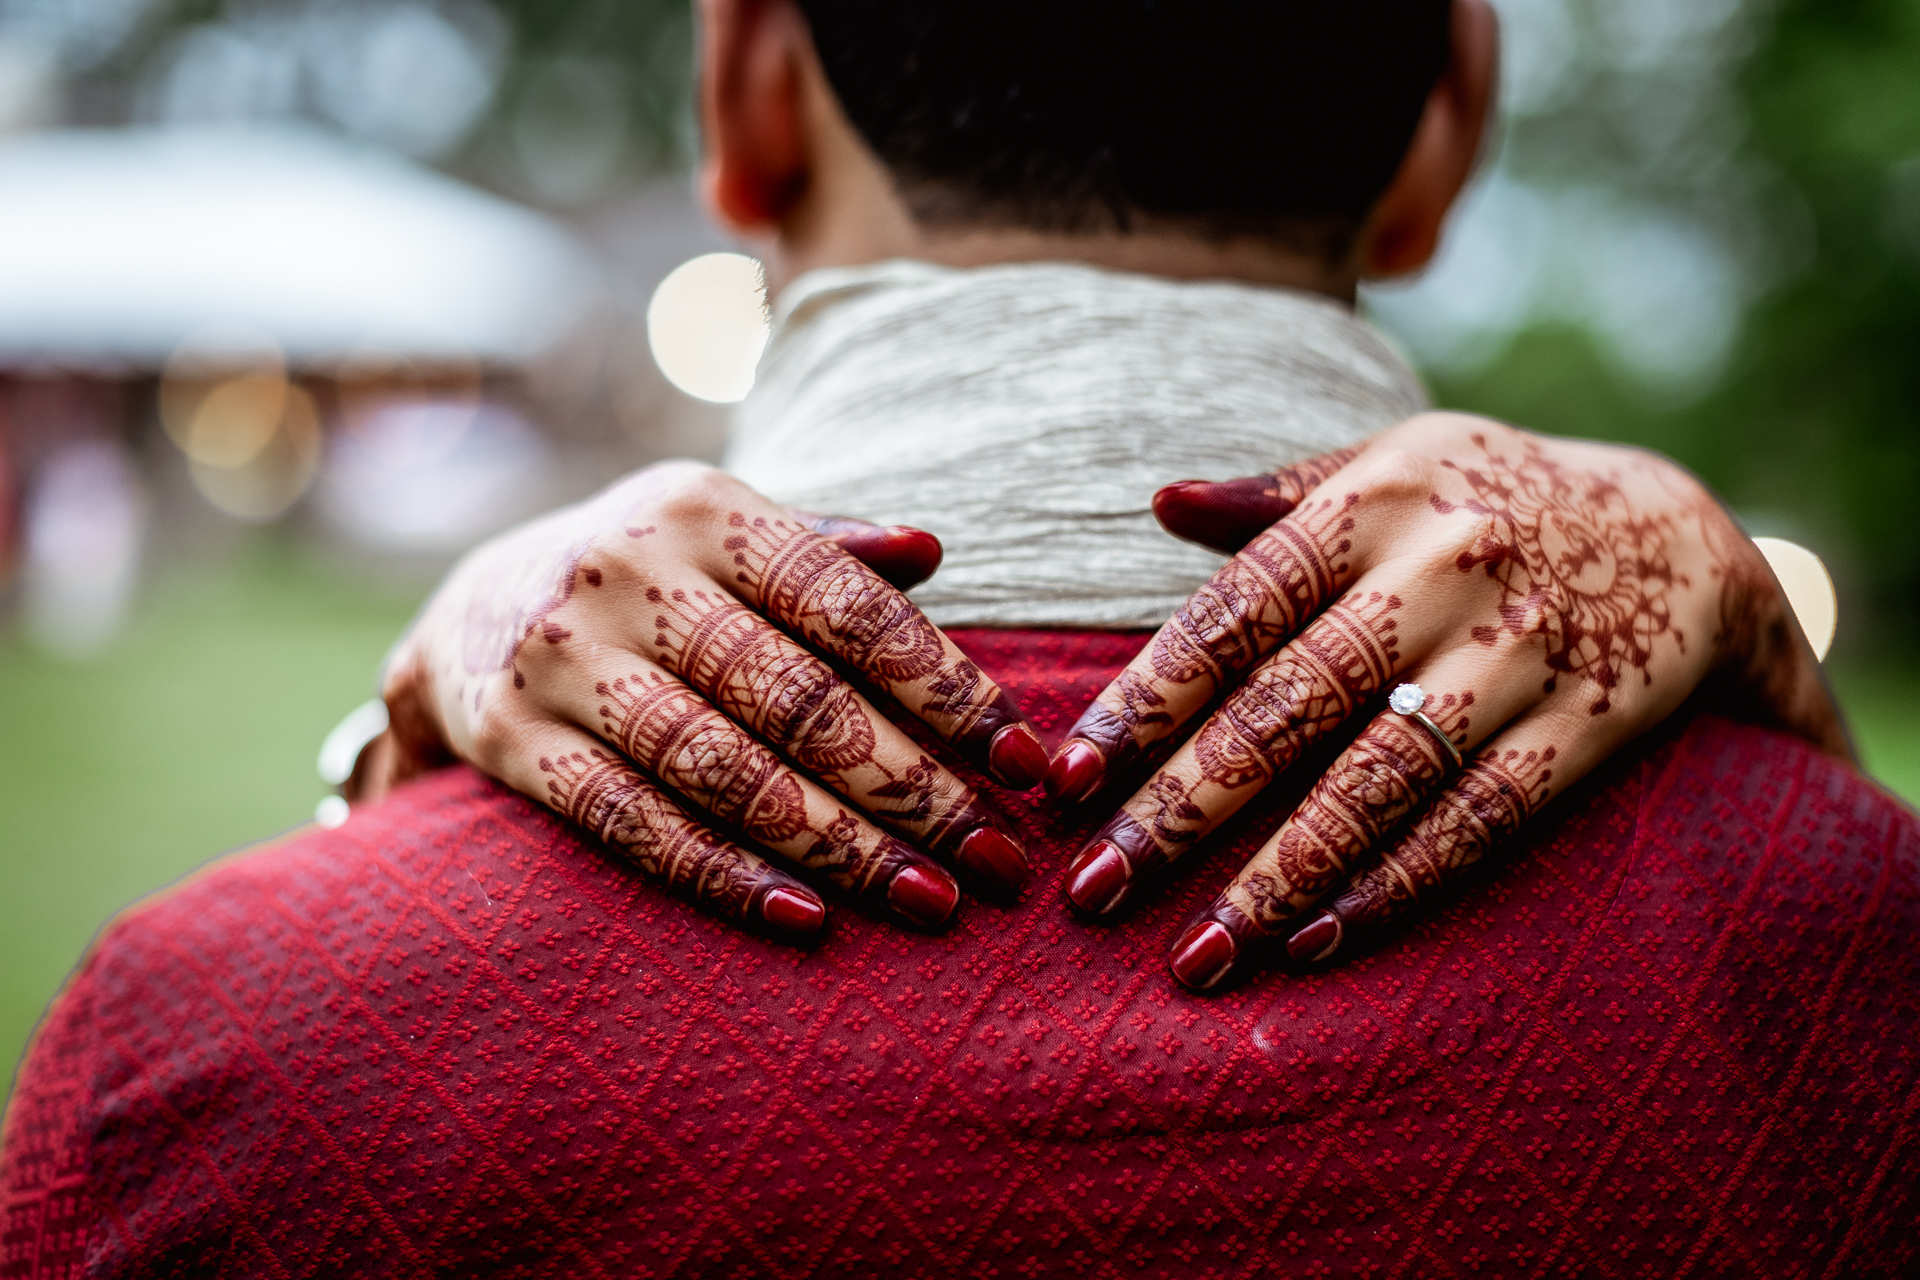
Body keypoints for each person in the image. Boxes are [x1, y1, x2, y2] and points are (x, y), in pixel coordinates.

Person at [4, 1, 1913, 1275]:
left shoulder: (203, 1049)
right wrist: (1795, 742)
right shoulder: (1858, 952)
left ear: (745, 88)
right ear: (1454, 113)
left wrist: (381, 786)